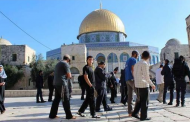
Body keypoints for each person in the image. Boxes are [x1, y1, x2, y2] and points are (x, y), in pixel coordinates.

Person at [49, 54, 76, 120]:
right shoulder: (65, 64)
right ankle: (69, 116)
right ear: (68, 59)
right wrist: (70, 76)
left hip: (56, 83)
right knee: (66, 99)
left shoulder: (58, 64)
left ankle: (52, 115)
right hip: (62, 84)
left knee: (56, 100)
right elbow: (69, 75)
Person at [132, 51, 155, 121]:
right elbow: (146, 77)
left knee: (139, 100)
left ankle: (135, 112)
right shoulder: (144, 64)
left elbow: (134, 74)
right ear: (148, 57)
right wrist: (152, 84)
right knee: (145, 101)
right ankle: (143, 116)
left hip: (137, 84)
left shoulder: (136, 64)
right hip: (143, 85)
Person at [125, 50, 138, 116]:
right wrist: (135, 78)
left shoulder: (127, 60)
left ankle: (130, 112)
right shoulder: (133, 59)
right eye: (137, 55)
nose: (138, 57)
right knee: (139, 94)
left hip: (127, 79)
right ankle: (137, 111)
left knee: (130, 96)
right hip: (132, 79)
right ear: (135, 54)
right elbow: (133, 69)